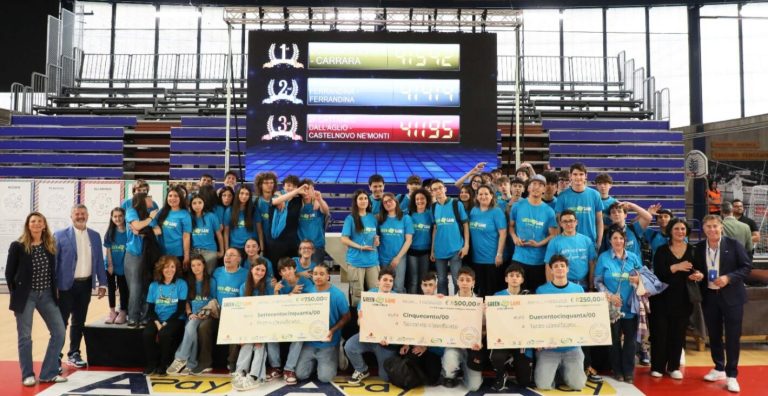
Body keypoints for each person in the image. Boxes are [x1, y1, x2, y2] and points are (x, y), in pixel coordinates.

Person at [6, 212, 67, 386]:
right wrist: (16, 296)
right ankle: (27, 374)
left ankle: (48, 372)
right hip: (26, 297)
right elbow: (9, 274)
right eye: (33, 221)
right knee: (25, 336)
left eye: (40, 221)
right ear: (28, 224)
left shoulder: (49, 245)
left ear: (44, 225)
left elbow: (52, 272)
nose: (36, 224)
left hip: (47, 295)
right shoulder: (17, 246)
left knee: (59, 332)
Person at [695, 215, 752, 393]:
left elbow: (746, 267)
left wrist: (729, 278)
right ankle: (719, 367)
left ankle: (732, 375)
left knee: (733, 336)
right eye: (708, 227)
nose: (712, 230)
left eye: (715, 226)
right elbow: (698, 269)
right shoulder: (698, 248)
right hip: (710, 296)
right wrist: (698, 275)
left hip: (732, 297)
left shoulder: (733, 245)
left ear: (721, 227)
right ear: (703, 229)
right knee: (714, 334)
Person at [649, 218, 703, 380]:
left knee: (678, 334)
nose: (680, 232)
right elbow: (658, 273)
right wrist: (676, 267)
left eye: (683, 229)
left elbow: (701, 271)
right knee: (660, 333)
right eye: (677, 229)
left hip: (683, 299)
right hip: (661, 299)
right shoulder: (662, 250)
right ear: (670, 231)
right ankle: (657, 366)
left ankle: (673, 366)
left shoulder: (693, 251)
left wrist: (699, 275)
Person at [55, 204, 107, 369]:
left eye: (83, 213)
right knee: (61, 322)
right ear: (71, 216)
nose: (80, 216)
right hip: (65, 287)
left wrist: (103, 283)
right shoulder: (59, 235)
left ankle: (74, 354)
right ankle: (55, 355)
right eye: (77, 213)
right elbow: (54, 263)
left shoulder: (95, 236)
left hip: (85, 285)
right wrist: (53, 286)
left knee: (79, 322)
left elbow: (99, 261)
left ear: (88, 215)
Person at [594, 226, 643, 383]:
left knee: (630, 340)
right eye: (615, 238)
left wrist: (638, 279)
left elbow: (643, 276)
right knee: (614, 340)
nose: (618, 241)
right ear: (610, 241)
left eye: (621, 238)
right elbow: (597, 281)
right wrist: (609, 296)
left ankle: (628, 371)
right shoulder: (603, 258)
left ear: (625, 241)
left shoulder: (634, 257)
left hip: (630, 307)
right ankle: (617, 370)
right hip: (611, 307)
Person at [534, 255, 588, 391]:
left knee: (578, 385)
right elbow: (536, 317)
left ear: (567, 269)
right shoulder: (541, 291)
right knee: (543, 385)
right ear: (551, 270)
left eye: (562, 266)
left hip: (572, 347)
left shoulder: (578, 290)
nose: (559, 269)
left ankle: (564, 372)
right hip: (549, 348)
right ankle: (556, 371)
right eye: (556, 266)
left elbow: (585, 316)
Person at [295, 263, 351, 383]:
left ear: (328, 277)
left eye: (321, 274)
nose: (318, 277)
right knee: (300, 375)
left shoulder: (337, 295)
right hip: (310, 341)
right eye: (315, 274)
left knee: (325, 378)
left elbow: (347, 317)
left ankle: (338, 346)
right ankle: (318, 363)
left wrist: (332, 330)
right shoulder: (308, 292)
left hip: (329, 341)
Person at [198, 248, 249, 375]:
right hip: (218, 312)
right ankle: (205, 363)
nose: (228, 257)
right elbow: (213, 295)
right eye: (226, 255)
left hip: (235, 314)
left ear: (239, 259)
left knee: (234, 328)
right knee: (203, 327)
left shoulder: (246, 274)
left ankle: (232, 363)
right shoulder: (217, 271)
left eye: (232, 255)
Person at [166, 255, 217, 376]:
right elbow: (186, 302)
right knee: (191, 330)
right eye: (193, 265)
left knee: (190, 327)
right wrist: (189, 313)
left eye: (199, 264)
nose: (196, 268)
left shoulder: (211, 281)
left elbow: (214, 301)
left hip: (206, 314)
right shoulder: (187, 282)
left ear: (204, 265)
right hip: (192, 315)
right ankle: (191, 363)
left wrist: (203, 314)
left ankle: (181, 357)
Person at [345, 268, 399, 383]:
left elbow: (398, 324)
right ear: (378, 282)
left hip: (386, 341)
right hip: (369, 336)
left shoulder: (398, 298)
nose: (388, 283)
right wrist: (372, 333)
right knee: (349, 346)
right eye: (385, 279)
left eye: (391, 281)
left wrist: (389, 337)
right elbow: (360, 321)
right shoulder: (368, 296)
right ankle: (362, 370)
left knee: (385, 378)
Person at [509, 174, 558, 292]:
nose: (537, 187)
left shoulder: (549, 211)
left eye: (541, 185)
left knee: (535, 297)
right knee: (518, 295)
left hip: (539, 260)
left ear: (544, 189)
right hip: (519, 258)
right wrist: (514, 237)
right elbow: (511, 227)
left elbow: (553, 234)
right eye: (534, 184)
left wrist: (539, 244)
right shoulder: (517, 206)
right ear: (528, 188)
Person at [269, 258, 315, 383]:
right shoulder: (280, 284)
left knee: (299, 336)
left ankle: (289, 369)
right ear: (280, 273)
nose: (287, 272)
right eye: (284, 270)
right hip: (284, 319)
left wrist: (292, 295)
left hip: (302, 320)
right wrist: (276, 291)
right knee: (270, 334)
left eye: (289, 268)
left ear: (295, 269)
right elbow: (276, 306)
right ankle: (276, 367)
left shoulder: (305, 281)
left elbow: (314, 300)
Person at [231, 258, 274, 391]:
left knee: (260, 344)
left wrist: (260, 333)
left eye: (263, 270)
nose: (260, 272)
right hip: (249, 323)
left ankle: (255, 376)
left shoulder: (268, 286)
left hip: (265, 323)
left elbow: (272, 309)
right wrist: (243, 333)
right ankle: (240, 371)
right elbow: (242, 311)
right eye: (257, 269)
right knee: (247, 342)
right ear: (251, 269)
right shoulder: (244, 287)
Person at [489, 264, 533, 391]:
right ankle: (501, 374)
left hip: (522, 341)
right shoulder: (497, 296)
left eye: (518, 276)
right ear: (506, 279)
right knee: (496, 357)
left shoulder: (529, 297)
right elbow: (493, 321)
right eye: (511, 276)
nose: (514, 278)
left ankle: (514, 358)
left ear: (522, 280)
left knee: (524, 382)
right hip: (503, 339)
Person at [143, 255, 187, 375]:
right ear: (161, 269)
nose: (169, 270)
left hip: (175, 318)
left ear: (176, 268)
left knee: (164, 334)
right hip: (157, 318)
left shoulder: (181, 284)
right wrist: (157, 323)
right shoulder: (154, 285)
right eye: (166, 267)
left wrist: (166, 323)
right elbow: (150, 309)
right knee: (147, 334)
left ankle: (164, 364)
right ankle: (152, 364)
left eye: (172, 267)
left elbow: (181, 309)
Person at [440, 267, 483, 391]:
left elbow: (484, 330)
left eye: (468, 280)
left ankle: (465, 371)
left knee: (474, 387)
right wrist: (436, 304)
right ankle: (449, 374)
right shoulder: (447, 302)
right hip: (454, 345)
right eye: (462, 280)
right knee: (450, 362)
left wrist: (480, 339)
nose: (464, 283)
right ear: (457, 281)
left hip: (472, 348)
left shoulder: (480, 304)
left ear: (473, 283)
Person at [125, 192, 160, 327]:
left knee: (148, 284)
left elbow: (157, 230)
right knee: (135, 286)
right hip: (134, 253)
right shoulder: (131, 211)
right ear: (142, 200)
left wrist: (141, 231)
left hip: (149, 254)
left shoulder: (151, 213)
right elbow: (136, 225)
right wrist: (148, 222)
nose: (151, 199)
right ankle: (133, 317)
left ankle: (145, 317)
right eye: (149, 197)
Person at [429, 179, 469, 296]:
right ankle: (444, 307)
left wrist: (466, 245)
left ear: (445, 189)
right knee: (441, 280)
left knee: (458, 280)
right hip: (440, 250)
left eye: (440, 187)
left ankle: (458, 305)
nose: (438, 191)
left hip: (456, 249)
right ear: (432, 192)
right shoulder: (433, 208)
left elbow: (465, 225)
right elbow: (435, 229)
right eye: (435, 189)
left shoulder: (457, 204)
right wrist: (432, 250)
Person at [341, 190, 380, 305]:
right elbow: (344, 239)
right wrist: (360, 247)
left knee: (374, 293)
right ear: (356, 201)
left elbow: (374, 234)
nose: (363, 201)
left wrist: (376, 239)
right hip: (356, 262)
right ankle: (357, 321)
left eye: (365, 198)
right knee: (358, 295)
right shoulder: (350, 218)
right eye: (360, 198)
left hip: (372, 261)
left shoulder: (373, 218)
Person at [468, 185, 507, 297]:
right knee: (479, 292)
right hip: (476, 259)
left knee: (491, 293)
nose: (483, 196)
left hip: (492, 259)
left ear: (491, 196)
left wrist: (499, 254)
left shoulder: (497, 212)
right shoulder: (474, 211)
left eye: (486, 194)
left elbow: (503, 234)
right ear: (476, 196)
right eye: (480, 194)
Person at [555, 163, 604, 247]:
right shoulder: (562, 196)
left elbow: (599, 221)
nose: (578, 177)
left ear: (586, 176)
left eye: (581, 174)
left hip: (590, 242)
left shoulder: (595, 195)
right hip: (568, 242)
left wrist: (599, 242)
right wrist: (559, 241)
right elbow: (558, 222)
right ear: (570, 176)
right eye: (575, 174)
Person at [377, 192, 414, 294]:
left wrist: (398, 257)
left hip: (399, 258)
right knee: (383, 287)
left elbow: (408, 240)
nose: (388, 203)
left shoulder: (406, 218)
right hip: (382, 257)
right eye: (385, 202)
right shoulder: (380, 219)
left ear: (395, 201)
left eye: (390, 201)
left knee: (398, 287)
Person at [153, 186, 192, 270]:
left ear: (181, 198)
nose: (172, 198)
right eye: (170, 196)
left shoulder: (185, 214)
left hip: (177, 253)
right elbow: (153, 224)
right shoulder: (162, 212)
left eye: (176, 196)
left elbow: (186, 237)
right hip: (162, 252)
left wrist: (186, 256)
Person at [104, 207, 129, 324]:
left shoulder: (129, 231)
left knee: (123, 289)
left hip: (123, 266)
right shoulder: (110, 232)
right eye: (115, 216)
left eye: (120, 216)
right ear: (111, 217)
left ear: (124, 217)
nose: (117, 218)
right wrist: (110, 264)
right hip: (110, 265)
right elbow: (108, 249)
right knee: (111, 289)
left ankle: (123, 311)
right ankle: (112, 311)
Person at [407, 188, 433, 294]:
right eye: (417, 199)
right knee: (413, 280)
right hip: (412, 251)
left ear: (427, 200)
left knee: (423, 280)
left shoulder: (430, 214)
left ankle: (422, 305)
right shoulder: (409, 215)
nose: (419, 201)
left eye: (422, 198)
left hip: (425, 252)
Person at [298, 179, 330, 266]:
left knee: (316, 274)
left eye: (310, 189)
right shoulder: (297, 205)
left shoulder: (318, 203)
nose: (307, 192)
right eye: (304, 189)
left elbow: (326, 211)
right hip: (302, 247)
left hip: (317, 246)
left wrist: (319, 199)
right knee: (303, 275)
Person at [189, 195, 224, 274]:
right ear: (191, 205)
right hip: (194, 252)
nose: (197, 205)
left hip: (210, 251)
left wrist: (222, 251)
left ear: (204, 203)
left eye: (200, 202)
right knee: (196, 276)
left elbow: (219, 235)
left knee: (210, 275)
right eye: (194, 203)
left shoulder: (211, 216)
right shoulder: (189, 217)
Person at [224, 185, 259, 253]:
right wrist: (227, 249)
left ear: (250, 196)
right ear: (237, 194)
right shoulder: (229, 211)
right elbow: (226, 232)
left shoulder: (254, 210)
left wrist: (262, 249)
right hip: (235, 247)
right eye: (242, 193)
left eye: (247, 194)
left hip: (251, 247)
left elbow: (259, 230)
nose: (244, 196)